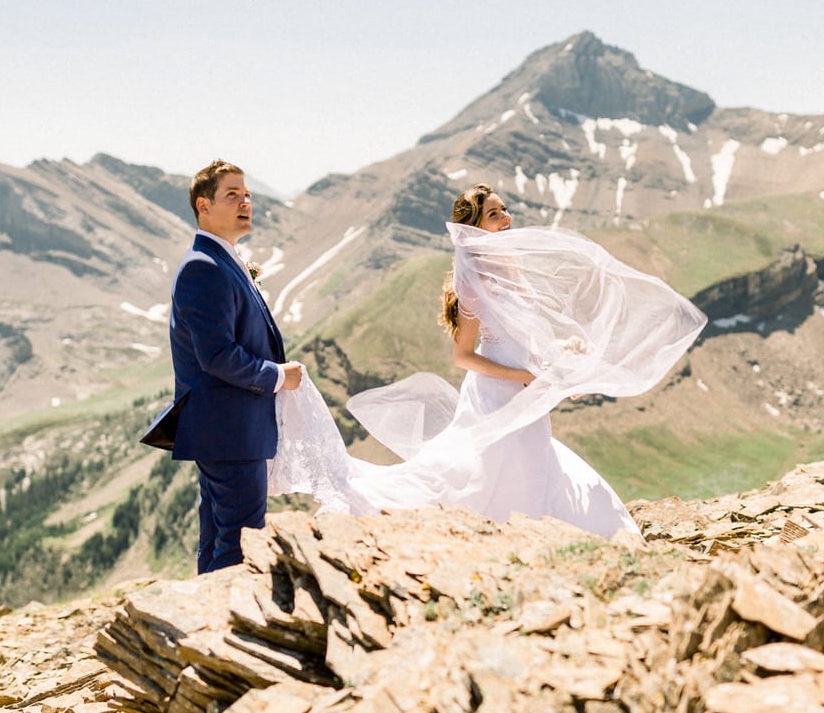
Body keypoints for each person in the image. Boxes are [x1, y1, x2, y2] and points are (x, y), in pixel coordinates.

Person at [268, 183, 707, 538]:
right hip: (496, 395)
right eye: (496, 214)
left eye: (504, 210)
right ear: (475, 227)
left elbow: (527, 336)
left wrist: (560, 357)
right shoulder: (473, 281)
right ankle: (505, 537)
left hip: (524, 392)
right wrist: (524, 376)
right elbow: (463, 356)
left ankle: (544, 531)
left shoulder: (510, 268)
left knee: (532, 465)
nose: (507, 218)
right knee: (493, 476)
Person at [166, 159, 303, 573]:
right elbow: (218, 356)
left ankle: (204, 625)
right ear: (203, 206)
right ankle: (224, 630)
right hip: (228, 429)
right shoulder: (203, 267)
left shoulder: (223, 260)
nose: (245, 202)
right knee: (240, 544)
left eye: (247, 194)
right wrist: (278, 376)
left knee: (220, 538)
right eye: (232, 195)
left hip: (228, 428)